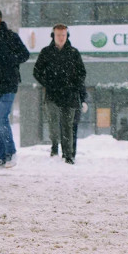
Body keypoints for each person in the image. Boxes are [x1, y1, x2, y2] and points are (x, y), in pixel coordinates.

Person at [32, 24, 87, 164]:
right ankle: (54, 145)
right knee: (53, 123)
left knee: (68, 125)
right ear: (53, 35)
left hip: (70, 94)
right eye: (58, 35)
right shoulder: (46, 52)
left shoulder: (74, 53)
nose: (61, 38)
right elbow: (37, 71)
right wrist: (48, 83)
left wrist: (74, 86)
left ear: (67, 35)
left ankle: (68, 155)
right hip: (52, 94)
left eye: (63, 35)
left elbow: (82, 73)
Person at [0, 8, 29, 169]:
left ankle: (11, 153)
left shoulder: (10, 37)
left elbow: (25, 54)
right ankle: (2, 157)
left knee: (2, 118)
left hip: (9, 84)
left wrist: (8, 60)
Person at [71, 85, 87, 160]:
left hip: (73, 105)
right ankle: (71, 151)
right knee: (73, 130)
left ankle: (70, 151)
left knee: (70, 129)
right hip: (74, 104)